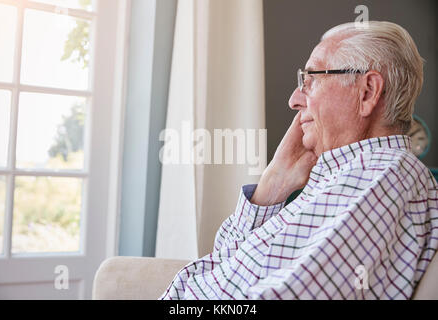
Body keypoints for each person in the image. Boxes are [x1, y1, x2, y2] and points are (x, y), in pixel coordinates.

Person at [159, 21, 438, 300]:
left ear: (367, 92)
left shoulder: (383, 177)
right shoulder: (351, 177)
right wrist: (272, 185)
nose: (294, 100)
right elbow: (223, 265)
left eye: (311, 80)